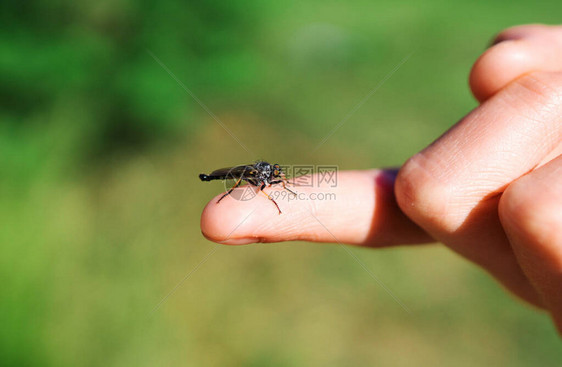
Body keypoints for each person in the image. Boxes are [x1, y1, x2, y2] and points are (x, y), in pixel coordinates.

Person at [201, 24, 562, 335]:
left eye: (276, 176)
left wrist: (282, 187)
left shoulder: (272, 174)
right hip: (236, 177)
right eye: (275, 176)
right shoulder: (258, 176)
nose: (276, 176)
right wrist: (268, 193)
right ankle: (225, 194)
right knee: (240, 182)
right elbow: (252, 180)